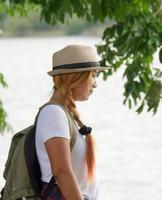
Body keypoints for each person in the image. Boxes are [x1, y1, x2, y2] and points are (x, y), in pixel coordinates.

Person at [35, 44, 109, 200]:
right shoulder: (53, 113)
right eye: (93, 75)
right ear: (75, 77)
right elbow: (61, 171)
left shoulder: (64, 114)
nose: (95, 83)